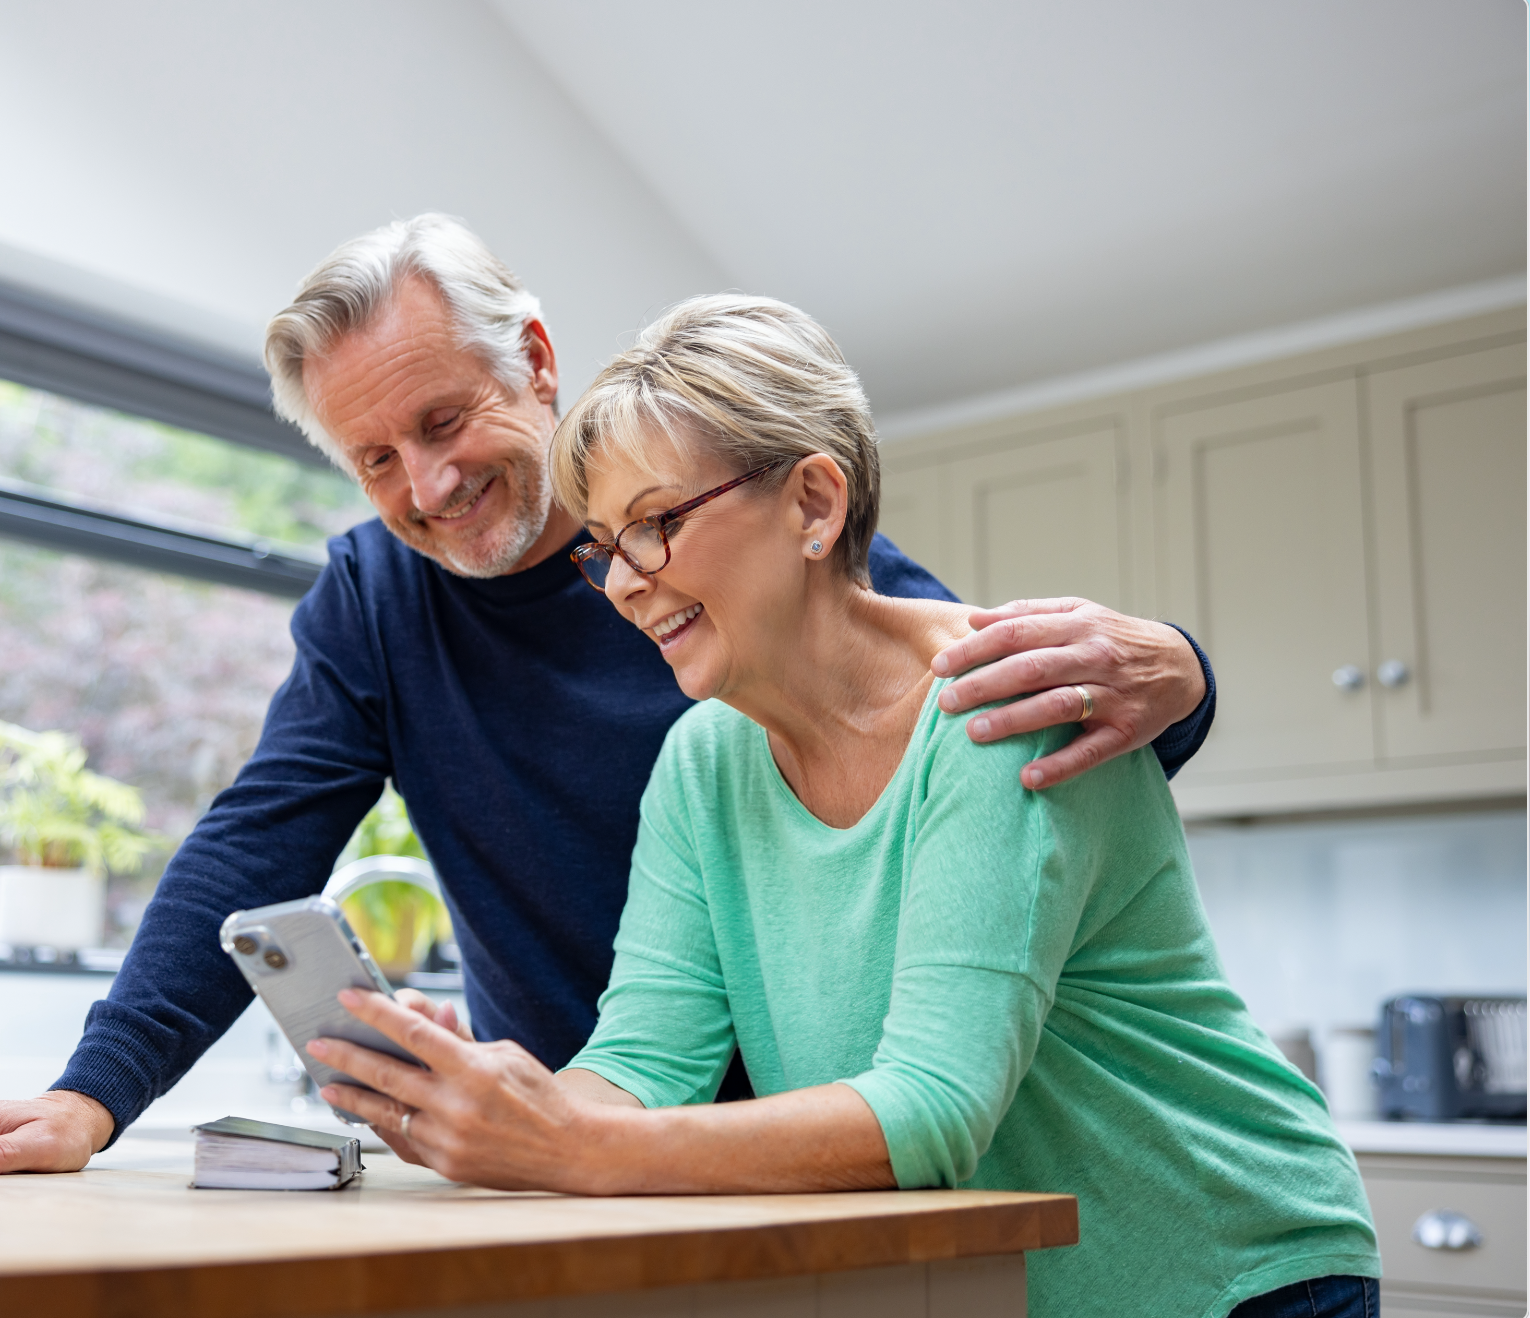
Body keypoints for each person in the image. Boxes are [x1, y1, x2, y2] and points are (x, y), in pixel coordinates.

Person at [0, 216, 1217, 1178]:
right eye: (374, 459)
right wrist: (90, 1096)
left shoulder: (710, 523)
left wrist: (1187, 674)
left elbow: (964, 693)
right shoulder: (387, 607)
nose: (425, 484)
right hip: (599, 1117)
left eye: (442, 419)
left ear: (533, 360)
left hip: (809, 1131)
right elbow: (255, 844)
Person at [303, 294, 1378, 1318]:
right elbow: (643, 1059)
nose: (624, 580)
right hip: (1026, 1285)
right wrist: (486, 1105)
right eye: (604, 544)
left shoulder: (993, 704)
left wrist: (567, 1148)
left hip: (1229, 1268)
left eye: (655, 524)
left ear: (813, 503)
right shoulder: (702, 760)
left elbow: (931, 1108)